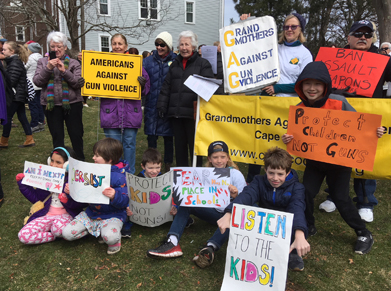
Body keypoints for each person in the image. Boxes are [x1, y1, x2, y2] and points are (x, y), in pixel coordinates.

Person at [282, 61, 384, 255]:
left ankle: (363, 232)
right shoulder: (299, 107)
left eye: (317, 84)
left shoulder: (338, 101)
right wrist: (288, 138)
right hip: (315, 162)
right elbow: (296, 135)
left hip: (339, 162)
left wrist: (374, 132)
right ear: (300, 86)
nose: (312, 88)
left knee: (340, 197)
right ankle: (308, 226)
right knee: (305, 193)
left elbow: (358, 125)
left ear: (325, 85)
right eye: (307, 84)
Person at [318, 20, 391, 223]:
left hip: (367, 118)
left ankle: (365, 201)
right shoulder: (336, 57)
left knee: (364, 157)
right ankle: (333, 195)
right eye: (358, 34)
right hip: (339, 115)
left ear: (372, 38)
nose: (362, 38)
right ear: (349, 38)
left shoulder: (382, 59)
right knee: (335, 155)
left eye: (367, 35)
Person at [240, 13, 313, 184]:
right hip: (267, 103)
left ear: (300, 30)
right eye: (287, 26)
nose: (289, 30)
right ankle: (252, 182)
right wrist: (244, 25)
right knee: (259, 141)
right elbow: (253, 48)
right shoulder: (275, 48)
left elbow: (305, 83)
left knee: (285, 145)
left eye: (293, 27)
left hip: (290, 105)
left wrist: (278, 88)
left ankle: (285, 181)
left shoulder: (305, 54)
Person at [214, 147, 309, 271]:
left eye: (280, 174)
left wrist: (300, 234)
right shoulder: (259, 181)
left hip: (285, 227)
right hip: (264, 224)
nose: (275, 178)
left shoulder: (297, 187)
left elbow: (297, 208)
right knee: (246, 208)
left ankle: (293, 252)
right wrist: (229, 213)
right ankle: (215, 245)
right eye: (271, 173)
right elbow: (247, 195)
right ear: (265, 170)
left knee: (296, 222)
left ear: (287, 172)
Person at [146, 140, 246, 259]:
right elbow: (193, 194)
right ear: (209, 158)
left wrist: (236, 195)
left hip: (230, 217)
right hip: (212, 213)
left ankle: (210, 248)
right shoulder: (202, 174)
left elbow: (246, 202)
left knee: (235, 218)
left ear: (228, 157)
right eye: (215, 157)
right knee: (186, 204)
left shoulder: (235, 175)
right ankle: (172, 242)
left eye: (222, 157)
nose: (219, 160)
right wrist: (179, 194)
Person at [62, 138, 130, 255]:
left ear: (109, 159)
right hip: (91, 214)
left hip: (112, 216)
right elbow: (82, 196)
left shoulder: (120, 176)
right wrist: (71, 191)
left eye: (97, 156)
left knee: (110, 237)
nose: (93, 158)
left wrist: (114, 196)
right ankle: (95, 231)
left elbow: (125, 201)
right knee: (67, 234)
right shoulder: (90, 171)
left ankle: (114, 240)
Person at [157, 31, 214, 167]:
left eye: (187, 44)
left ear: (193, 46)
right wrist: (162, 105)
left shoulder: (203, 64)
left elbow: (210, 86)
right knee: (180, 148)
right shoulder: (175, 64)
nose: (184, 48)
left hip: (194, 115)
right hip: (176, 114)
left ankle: (197, 176)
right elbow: (167, 87)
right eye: (181, 44)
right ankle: (183, 178)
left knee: (196, 150)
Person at [99, 34, 150, 174]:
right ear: (111, 46)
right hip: (110, 111)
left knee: (129, 145)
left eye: (120, 43)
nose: (117, 46)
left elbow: (146, 89)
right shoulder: (103, 63)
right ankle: (114, 175)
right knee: (112, 147)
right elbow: (95, 86)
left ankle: (129, 175)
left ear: (126, 46)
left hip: (130, 112)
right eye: (114, 43)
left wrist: (142, 84)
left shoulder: (135, 64)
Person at [16, 147, 86, 244]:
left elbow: (81, 204)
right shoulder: (46, 177)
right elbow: (36, 199)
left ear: (67, 165)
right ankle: (55, 235)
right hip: (47, 215)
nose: (53, 165)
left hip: (66, 216)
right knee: (23, 235)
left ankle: (60, 232)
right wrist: (22, 184)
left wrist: (68, 198)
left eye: (58, 162)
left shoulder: (75, 180)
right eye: (52, 161)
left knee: (57, 228)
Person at [33, 31, 85, 160]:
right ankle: (58, 163)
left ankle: (79, 161)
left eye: (59, 46)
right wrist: (48, 68)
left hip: (72, 104)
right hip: (51, 105)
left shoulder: (74, 63)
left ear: (65, 47)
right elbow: (38, 82)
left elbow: (77, 84)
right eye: (52, 47)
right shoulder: (42, 61)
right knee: (57, 136)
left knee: (76, 135)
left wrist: (64, 71)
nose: (55, 50)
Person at [143, 31, 176, 172]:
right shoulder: (148, 61)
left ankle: (168, 164)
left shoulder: (176, 60)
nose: (159, 47)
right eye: (157, 44)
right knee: (152, 136)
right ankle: (151, 162)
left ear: (168, 46)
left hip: (169, 104)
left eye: (162, 44)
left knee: (169, 137)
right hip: (152, 103)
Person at [0, 41, 35, 148]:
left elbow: (11, 81)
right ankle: (30, 139)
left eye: (4, 50)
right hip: (19, 95)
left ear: (12, 51)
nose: (2, 51)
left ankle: (3, 141)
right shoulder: (14, 61)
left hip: (15, 96)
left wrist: (1, 68)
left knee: (8, 117)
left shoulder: (14, 63)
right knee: (22, 116)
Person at [25, 42, 45, 133]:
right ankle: (41, 122)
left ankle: (34, 125)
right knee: (40, 105)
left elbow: (24, 68)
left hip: (31, 84)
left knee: (33, 105)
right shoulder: (41, 58)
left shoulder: (30, 58)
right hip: (40, 84)